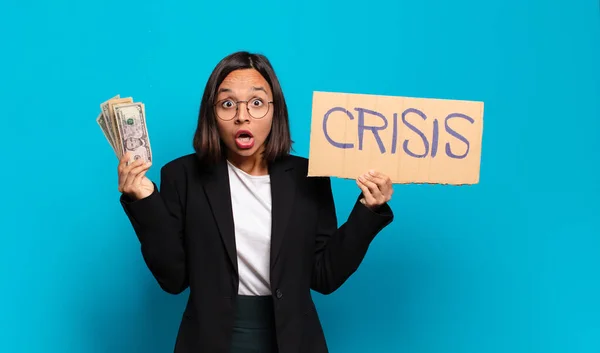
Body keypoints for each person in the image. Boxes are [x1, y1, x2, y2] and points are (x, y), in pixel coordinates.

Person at [117, 51, 395, 353]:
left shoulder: (309, 177)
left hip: (292, 341)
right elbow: (173, 279)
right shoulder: (181, 175)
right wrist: (144, 201)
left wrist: (368, 210)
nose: (242, 115)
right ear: (212, 114)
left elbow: (325, 276)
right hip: (210, 341)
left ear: (275, 111)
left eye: (257, 102)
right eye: (227, 104)